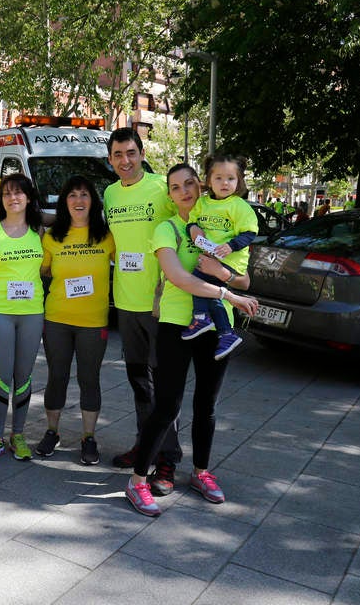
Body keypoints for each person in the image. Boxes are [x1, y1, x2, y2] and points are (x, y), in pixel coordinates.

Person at [125, 163, 259, 516]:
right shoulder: (166, 229)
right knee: (167, 405)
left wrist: (225, 273)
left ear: (201, 188)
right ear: (169, 194)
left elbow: (244, 279)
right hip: (176, 325)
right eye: (175, 187)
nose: (184, 191)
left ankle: (201, 471)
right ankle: (137, 480)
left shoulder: (224, 224)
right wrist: (227, 293)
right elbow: (179, 277)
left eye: (190, 184)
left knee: (207, 405)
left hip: (217, 327)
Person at [102, 127, 181, 495]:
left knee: (165, 387)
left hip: (160, 305)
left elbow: (181, 235)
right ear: (110, 159)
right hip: (126, 304)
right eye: (118, 155)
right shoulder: (110, 194)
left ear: (142, 153)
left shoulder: (162, 190)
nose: (125, 161)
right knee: (139, 383)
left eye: (131, 153)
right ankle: (144, 447)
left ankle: (167, 462)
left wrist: (169, 286)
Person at [36, 176, 114, 464]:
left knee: (88, 379)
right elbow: (41, 272)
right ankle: (52, 431)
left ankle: (88, 437)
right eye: (72, 195)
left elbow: (126, 264)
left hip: (94, 322)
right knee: (57, 376)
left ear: (92, 201)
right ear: (64, 202)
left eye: (84, 195)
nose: (78, 200)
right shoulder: (52, 237)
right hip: (57, 318)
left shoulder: (106, 235)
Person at [0, 174, 44, 461]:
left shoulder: (39, 231)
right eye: (6, 194)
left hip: (32, 313)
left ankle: (18, 435)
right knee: (2, 378)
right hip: (0, 312)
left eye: (18, 193)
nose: (12, 198)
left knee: (24, 377)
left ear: (28, 198)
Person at [182, 155, 258, 360]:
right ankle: (226, 334)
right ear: (208, 180)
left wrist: (231, 246)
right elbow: (192, 221)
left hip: (228, 262)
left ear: (239, 181)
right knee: (210, 292)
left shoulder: (239, 206)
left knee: (199, 283)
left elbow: (250, 233)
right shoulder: (203, 203)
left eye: (231, 179)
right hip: (209, 259)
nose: (225, 183)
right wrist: (194, 229)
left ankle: (202, 318)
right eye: (218, 178)